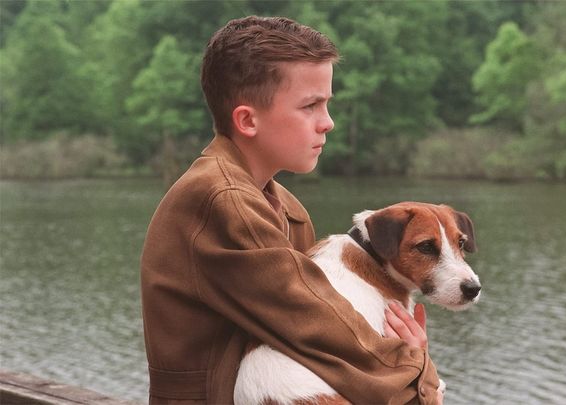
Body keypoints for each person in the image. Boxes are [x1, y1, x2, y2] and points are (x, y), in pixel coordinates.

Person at [140, 16, 442, 404]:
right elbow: (314, 322)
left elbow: (310, 347)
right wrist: (416, 369)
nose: (328, 123)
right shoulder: (220, 199)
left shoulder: (286, 207)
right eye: (311, 106)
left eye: (327, 104)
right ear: (248, 120)